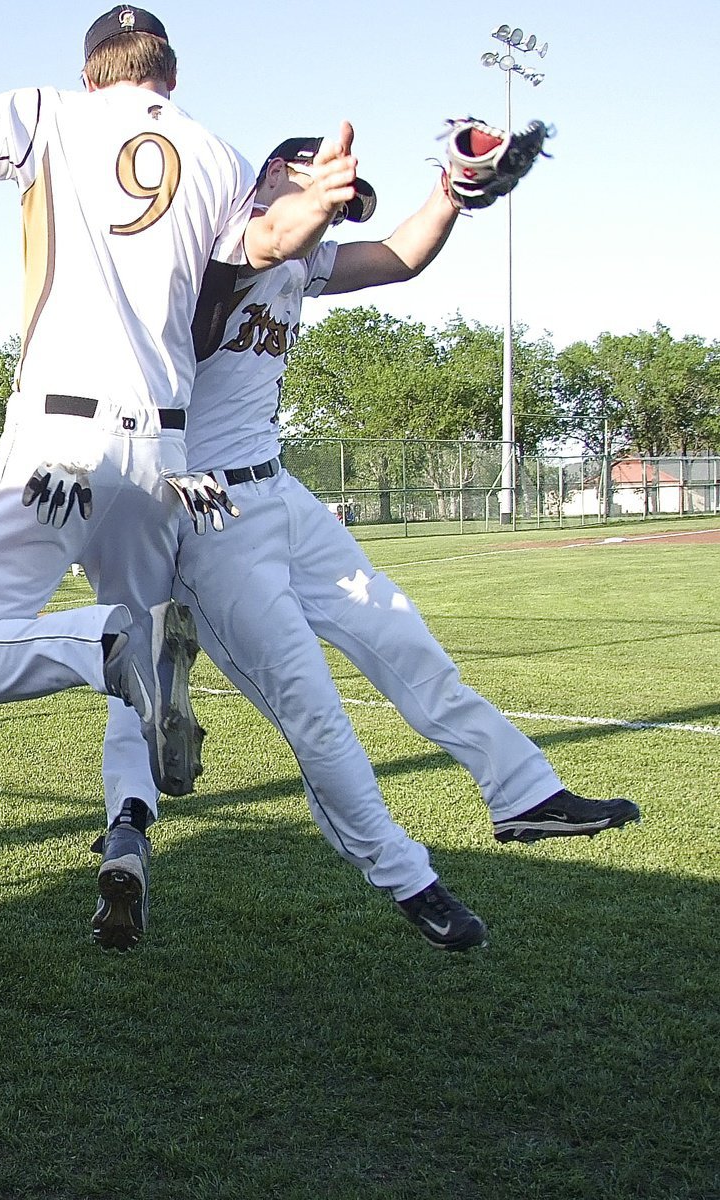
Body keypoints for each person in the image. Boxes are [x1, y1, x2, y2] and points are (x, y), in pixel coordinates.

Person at [97, 137, 640, 952]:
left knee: (401, 635)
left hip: (279, 491)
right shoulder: (212, 240)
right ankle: (406, 878)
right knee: (313, 710)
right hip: (209, 517)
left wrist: (453, 193)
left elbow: (399, 258)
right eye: (329, 193)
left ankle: (523, 793)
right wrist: (310, 208)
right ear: (279, 175)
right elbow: (255, 252)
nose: (340, 214)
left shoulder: (300, 257)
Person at [0, 8, 358, 818]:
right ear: (169, 72)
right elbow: (274, 243)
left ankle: (113, 646)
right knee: (143, 647)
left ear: (91, 70)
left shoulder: (49, 110)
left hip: (59, 438)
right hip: (166, 453)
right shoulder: (220, 155)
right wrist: (325, 203)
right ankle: (128, 830)